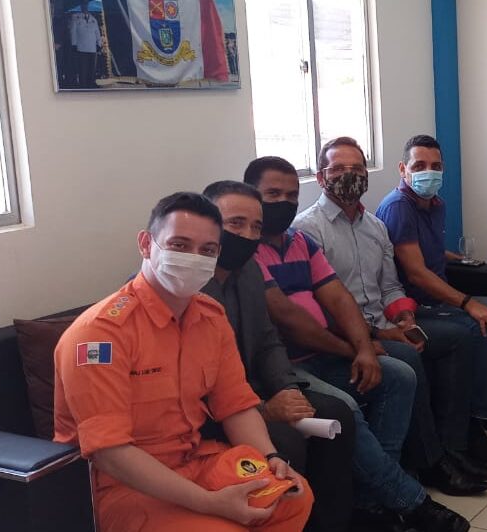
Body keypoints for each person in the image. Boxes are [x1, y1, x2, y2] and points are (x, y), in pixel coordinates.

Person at [201, 181, 469, 532]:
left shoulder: (253, 265)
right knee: (343, 407)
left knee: (399, 375)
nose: (247, 235)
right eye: (236, 223)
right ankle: (409, 500)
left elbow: (274, 336)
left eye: (255, 225)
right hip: (264, 381)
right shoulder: (193, 283)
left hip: (289, 368)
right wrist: (267, 404)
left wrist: (362, 348)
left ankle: (376, 500)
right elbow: (284, 324)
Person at [52, 192, 313, 531]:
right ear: (146, 244)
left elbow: (235, 406)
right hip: (121, 485)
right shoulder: (100, 335)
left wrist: (271, 457)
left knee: (294, 496)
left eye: (207, 250)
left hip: (196, 461)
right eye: (179, 245)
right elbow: (111, 454)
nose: (193, 258)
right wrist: (210, 503)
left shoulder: (211, 317)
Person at [249, 152, 487, 497]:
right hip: (340, 335)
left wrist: (404, 317)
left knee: (459, 337)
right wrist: (368, 340)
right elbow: (319, 312)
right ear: (320, 177)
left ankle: (457, 440)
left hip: (376, 323)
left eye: (357, 168)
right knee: (405, 361)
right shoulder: (309, 228)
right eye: (338, 168)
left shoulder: (372, 227)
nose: (349, 175)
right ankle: (427, 462)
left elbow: (387, 286)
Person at [377, 134, 487, 444]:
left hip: (442, 298)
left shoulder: (436, 204)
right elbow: (416, 273)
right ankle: (477, 416)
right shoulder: (398, 207)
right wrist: (468, 303)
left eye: (435, 166)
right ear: (402, 169)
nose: (429, 172)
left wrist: (457, 259)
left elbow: (425, 251)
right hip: (417, 307)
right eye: (419, 165)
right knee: (478, 324)